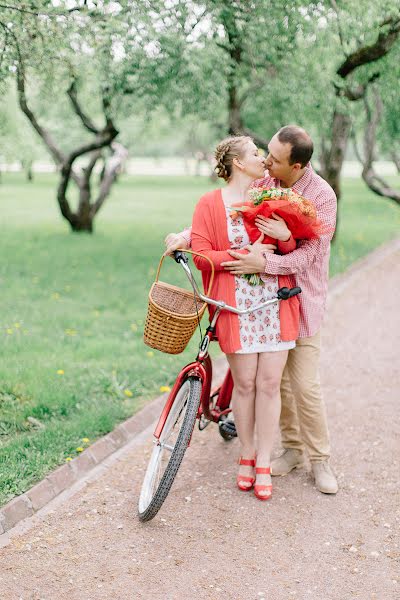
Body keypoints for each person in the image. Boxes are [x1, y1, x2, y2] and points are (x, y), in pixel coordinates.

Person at [165, 125, 339, 495]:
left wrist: (265, 264)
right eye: (265, 155)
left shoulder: (321, 196)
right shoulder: (267, 183)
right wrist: (186, 235)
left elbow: (309, 256)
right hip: (262, 299)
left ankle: (320, 460)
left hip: (301, 301)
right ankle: (291, 450)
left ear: (297, 165)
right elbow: (229, 206)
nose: (267, 161)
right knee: (276, 388)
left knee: (303, 386)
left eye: (275, 158)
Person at [191, 134, 299, 501]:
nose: (262, 160)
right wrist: (241, 255)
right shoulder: (209, 204)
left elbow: (288, 247)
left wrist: (284, 237)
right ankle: (246, 454)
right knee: (246, 384)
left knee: (269, 384)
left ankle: (265, 461)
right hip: (236, 306)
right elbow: (201, 254)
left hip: (275, 301)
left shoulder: (270, 197)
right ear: (238, 162)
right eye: (256, 153)